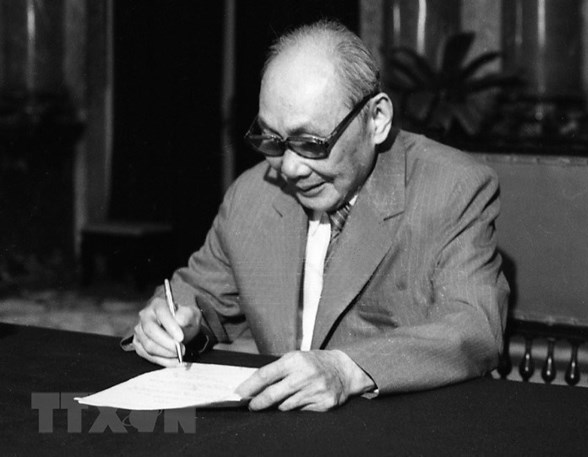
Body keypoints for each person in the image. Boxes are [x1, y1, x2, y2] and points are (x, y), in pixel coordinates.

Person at [129, 19, 509, 412]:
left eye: (311, 143)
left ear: (376, 119)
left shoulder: (451, 188)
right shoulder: (254, 194)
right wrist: (172, 321)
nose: (290, 168)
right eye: (272, 140)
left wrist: (347, 370)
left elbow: (473, 326)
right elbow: (200, 294)